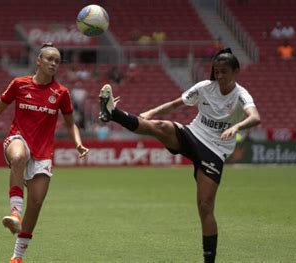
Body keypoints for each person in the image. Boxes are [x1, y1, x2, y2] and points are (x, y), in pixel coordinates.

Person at [98, 48, 261, 263]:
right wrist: (151, 113)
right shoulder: (204, 87)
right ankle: (113, 113)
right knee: (159, 127)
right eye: (216, 71)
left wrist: (237, 126)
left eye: (224, 72)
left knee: (205, 207)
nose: (219, 76)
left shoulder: (241, 95)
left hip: (214, 151)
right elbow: (175, 104)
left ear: (235, 71)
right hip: (192, 135)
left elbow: (255, 117)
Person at [0, 42, 89, 263]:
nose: (53, 63)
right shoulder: (19, 84)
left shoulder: (61, 93)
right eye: (49, 59)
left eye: (57, 61)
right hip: (17, 139)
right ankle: (14, 213)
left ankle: (17, 257)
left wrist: (78, 143)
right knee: (19, 157)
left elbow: (70, 124)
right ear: (38, 61)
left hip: (43, 153)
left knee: (36, 204)